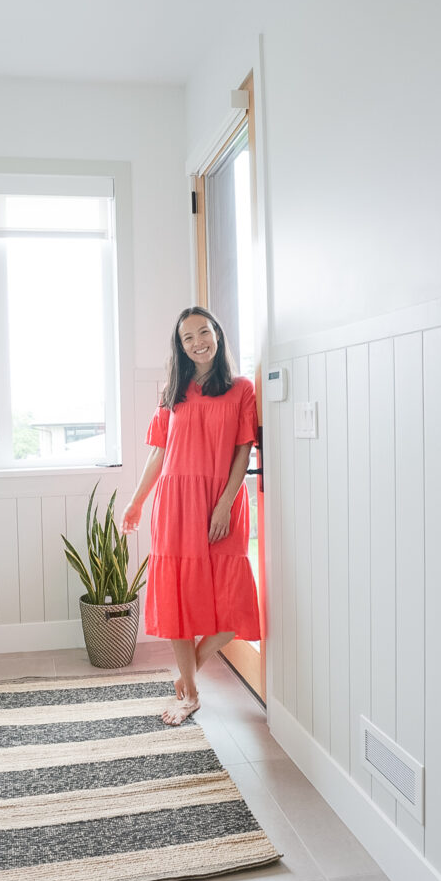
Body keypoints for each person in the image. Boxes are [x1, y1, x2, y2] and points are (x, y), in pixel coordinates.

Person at [121, 305, 260, 726]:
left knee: (233, 604)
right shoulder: (173, 390)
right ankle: (192, 694)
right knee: (179, 598)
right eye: (188, 338)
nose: (198, 342)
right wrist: (136, 500)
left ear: (217, 334)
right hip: (176, 504)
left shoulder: (241, 389)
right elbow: (158, 454)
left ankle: (187, 674)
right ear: (180, 347)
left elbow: (243, 450)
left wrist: (224, 503)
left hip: (221, 502)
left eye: (204, 332)